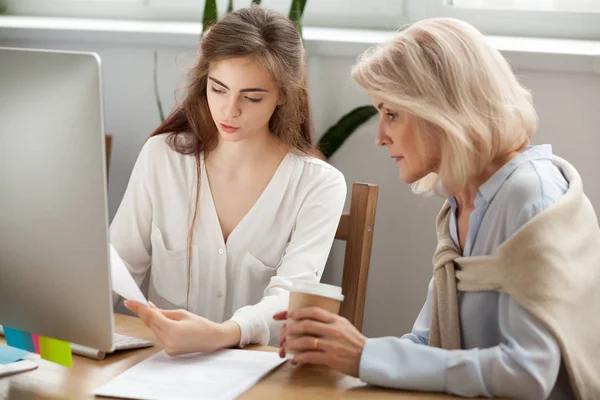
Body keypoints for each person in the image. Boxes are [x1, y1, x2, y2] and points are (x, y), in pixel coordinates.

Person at [277, 18, 600, 400]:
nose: (381, 137)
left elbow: (528, 374)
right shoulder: (459, 205)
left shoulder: (530, 197)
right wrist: (337, 349)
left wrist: (364, 354)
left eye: (391, 114)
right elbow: (433, 343)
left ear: (440, 109)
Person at [114, 5, 346, 356]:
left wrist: (225, 333)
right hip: (159, 365)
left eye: (251, 97)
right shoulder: (161, 157)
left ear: (283, 94)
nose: (229, 110)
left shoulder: (318, 185)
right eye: (218, 89)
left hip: (258, 374)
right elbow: (119, 264)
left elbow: (290, 296)